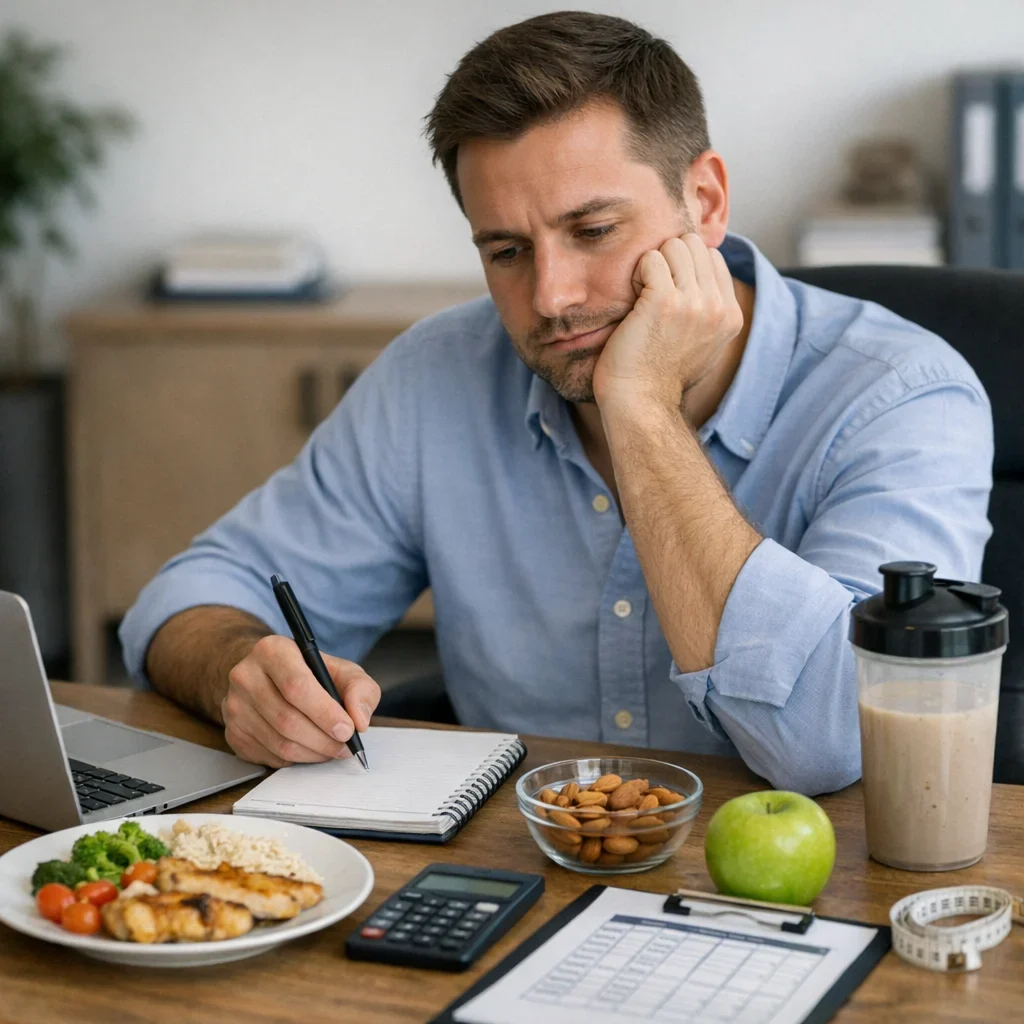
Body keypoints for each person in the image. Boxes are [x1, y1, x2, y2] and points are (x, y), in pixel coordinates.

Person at [120, 11, 992, 795]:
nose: (550, 297)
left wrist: (641, 406)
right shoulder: (439, 373)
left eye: (593, 232)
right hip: (509, 876)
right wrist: (241, 669)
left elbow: (830, 741)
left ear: (706, 202)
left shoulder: (902, 396)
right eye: (504, 250)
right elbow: (186, 600)